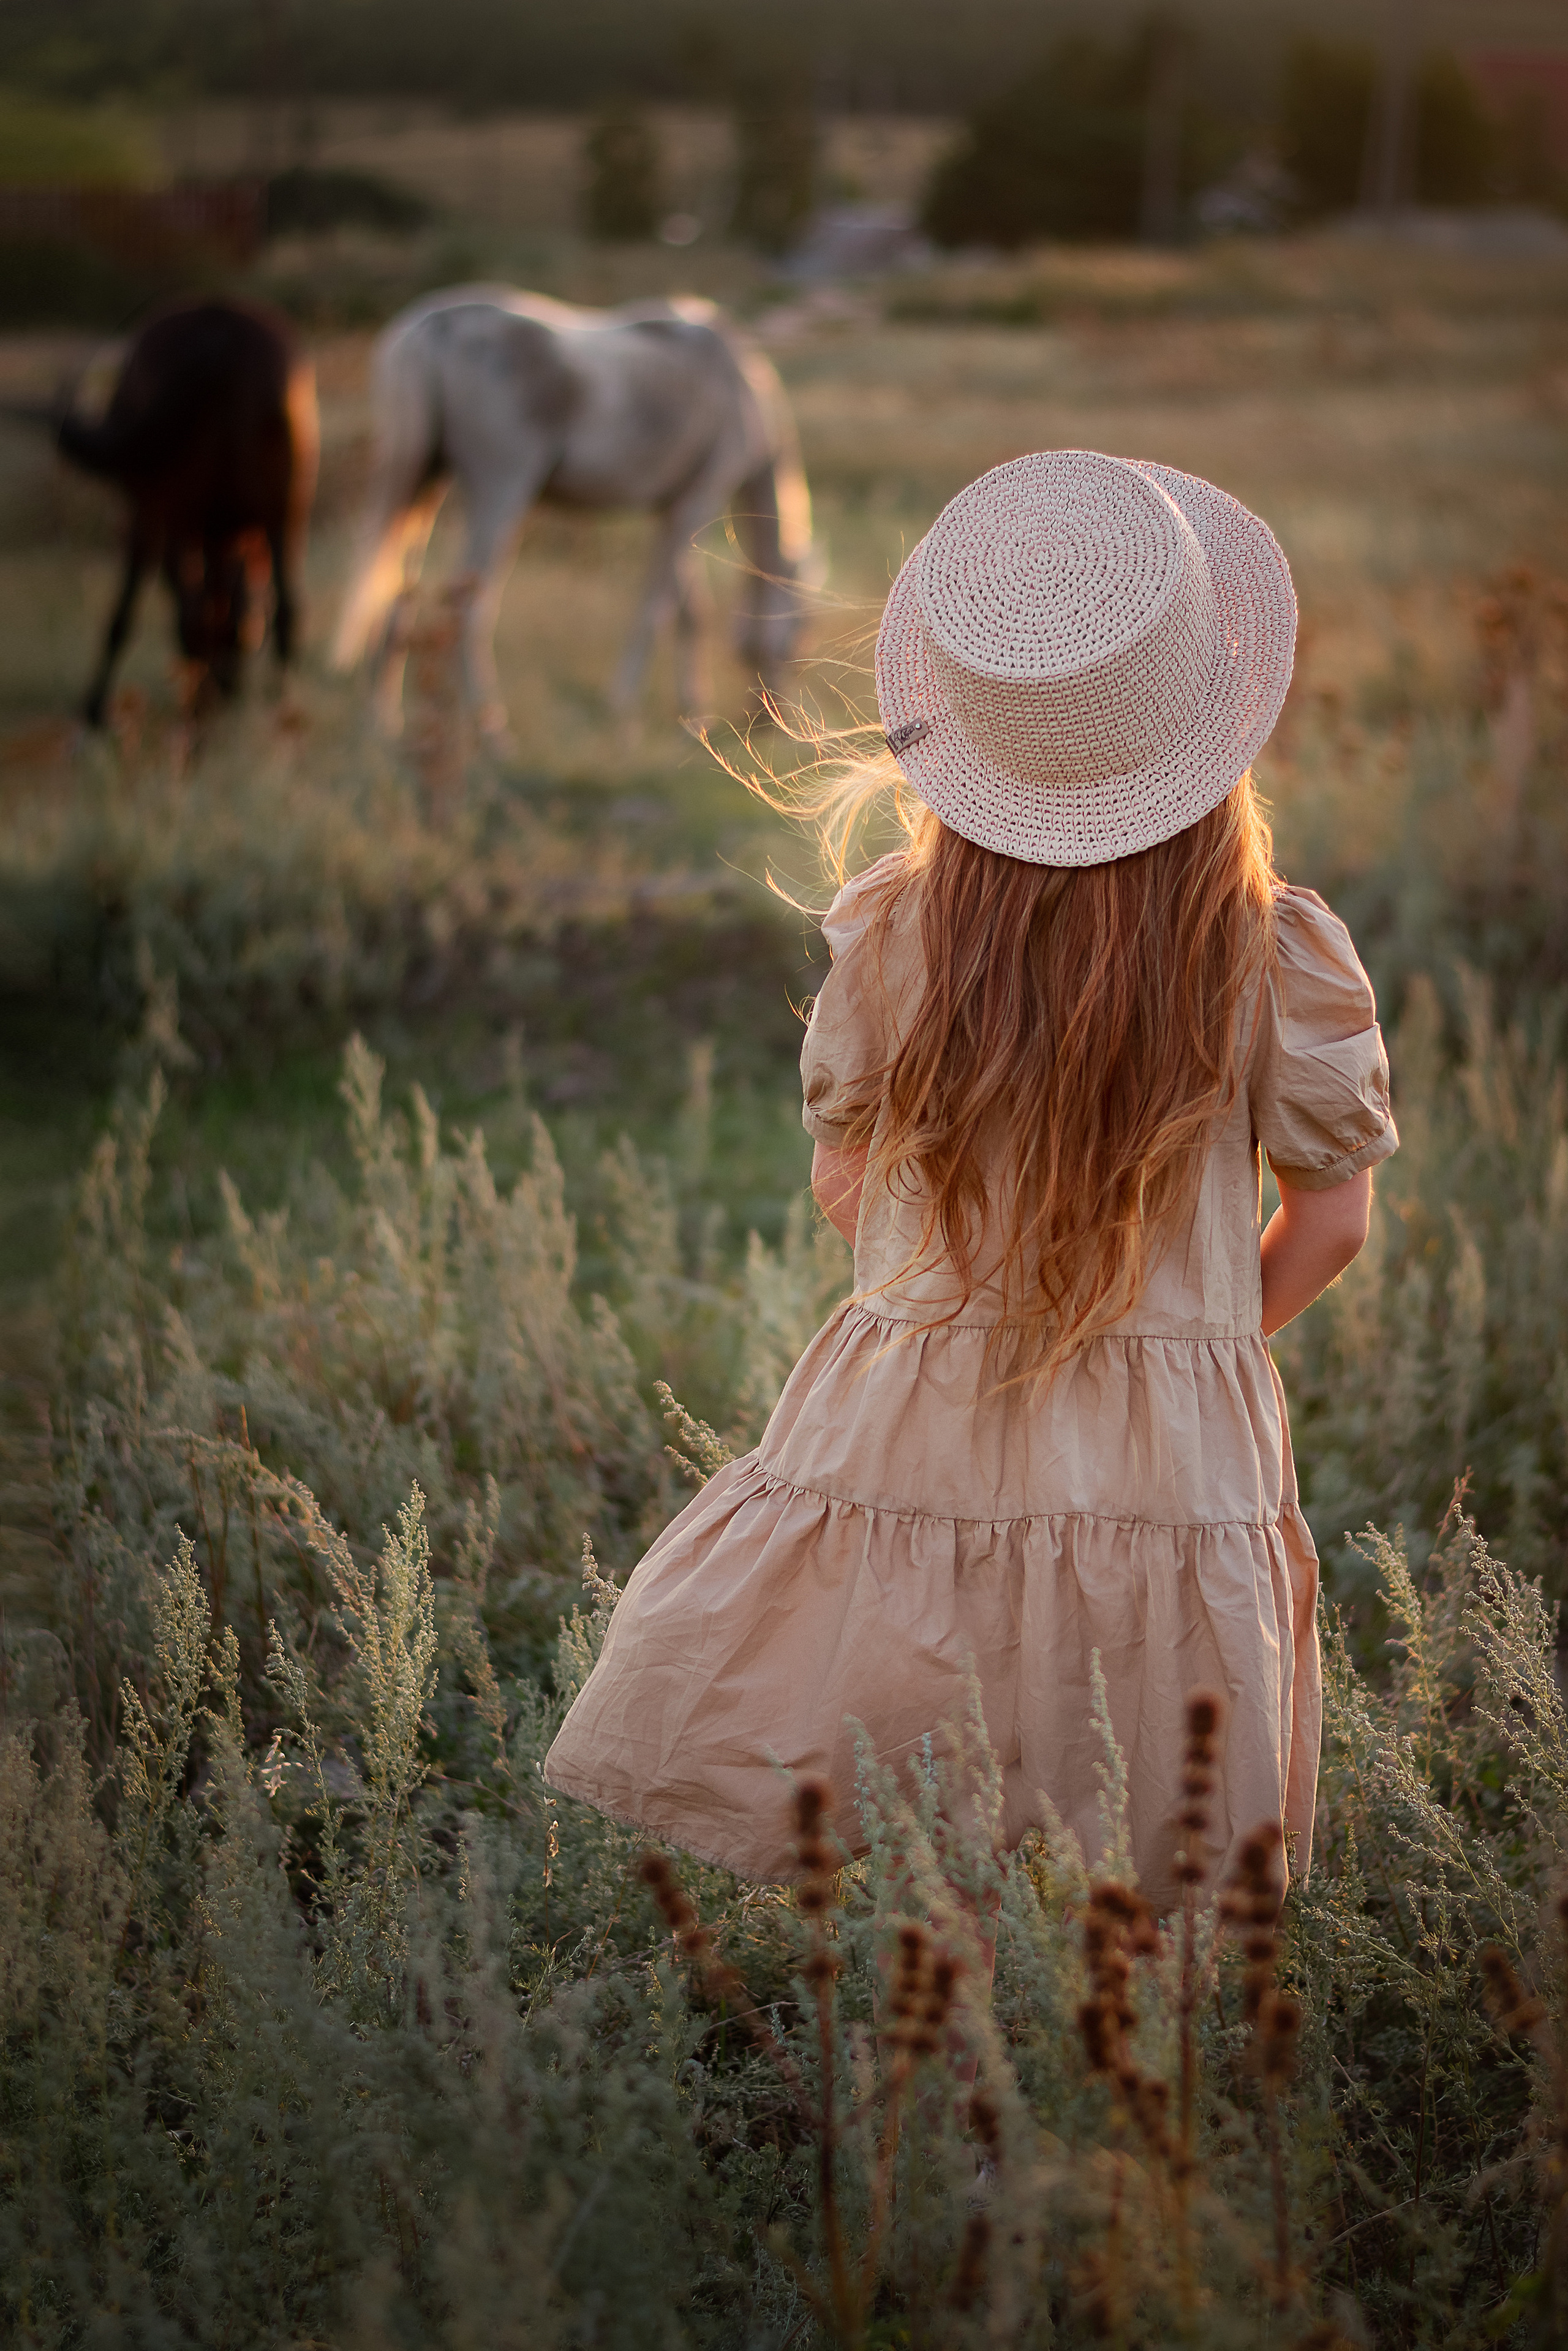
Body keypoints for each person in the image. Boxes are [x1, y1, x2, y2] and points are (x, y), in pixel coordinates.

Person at [545, 449, 1396, 1907]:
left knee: (910, 1805)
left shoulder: (895, 928)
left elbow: (845, 1185)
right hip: (1172, 1435)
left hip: (918, 1402)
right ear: (1204, 711)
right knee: (1137, 1821)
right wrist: (1177, 1345)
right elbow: (1328, 1221)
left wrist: (959, 1313)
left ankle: (929, 2057)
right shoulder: (1267, 946)